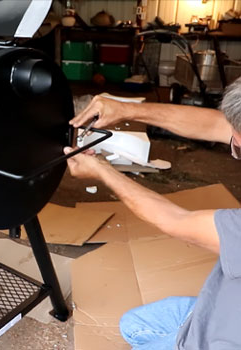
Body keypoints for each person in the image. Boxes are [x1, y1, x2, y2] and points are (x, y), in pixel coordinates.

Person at [64, 76, 241, 350]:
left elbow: (178, 221)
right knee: (133, 325)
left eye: (238, 148)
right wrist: (126, 109)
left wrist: (103, 172)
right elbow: (216, 124)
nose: (233, 149)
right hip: (218, 308)